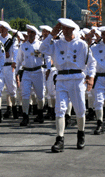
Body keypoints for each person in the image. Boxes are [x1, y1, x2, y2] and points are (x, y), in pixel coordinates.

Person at [40, 18, 96, 152]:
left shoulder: (82, 44)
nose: (63, 30)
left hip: (77, 79)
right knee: (59, 109)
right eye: (62, 28)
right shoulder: (56, 44)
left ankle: (81, 133)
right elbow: (42, 48)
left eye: (66, 28)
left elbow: (92, 62)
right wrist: (51, 35)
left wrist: (91, 77)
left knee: (80, 109)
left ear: (72, 29)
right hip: (61, 78)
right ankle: (60, 139)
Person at [16, 24, 47, 126]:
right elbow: (19, 60)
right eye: (28, 32)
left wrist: (48, 69)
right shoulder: (23, 46)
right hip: (27, 72)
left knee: (40, 94)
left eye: (31, 32)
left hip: (38, 72)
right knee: (25, 93)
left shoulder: (40, 45)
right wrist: (17, 72)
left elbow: (46, 58)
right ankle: (25, 116)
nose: (29, 34)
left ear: (35, 33)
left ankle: (40, 113)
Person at [0, 21, 19, 119]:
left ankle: (14, 108)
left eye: (3, 28)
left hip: (9, 66)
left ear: (7, 29)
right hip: (0, 66)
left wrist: (14, 62)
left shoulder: (12, 39)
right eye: (0, 28)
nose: (1, 30)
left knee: (12, 90)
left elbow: (16, 51)